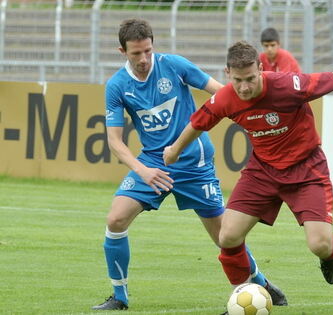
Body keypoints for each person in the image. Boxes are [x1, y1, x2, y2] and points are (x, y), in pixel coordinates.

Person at [163, 41, 333, 292]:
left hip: (307, 169)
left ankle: (330, 254)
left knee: (319, 244)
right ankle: (244, 294)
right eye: (238, 80)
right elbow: (198, 124)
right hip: (262, 171)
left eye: (251, 79)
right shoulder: (225, 98)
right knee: (228, 236)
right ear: (227, 73)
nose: (244, 87)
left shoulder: (289, 85)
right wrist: (174, 150)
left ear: (261, 69)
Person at [92, 21, 287, 311]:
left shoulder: (173, 65)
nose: (144, 59)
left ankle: (259, 280)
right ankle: (119, 297)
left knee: (224, 237)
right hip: (153, 164)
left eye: (148, 51)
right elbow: (115, 141)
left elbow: (222, 92)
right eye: (136, 54)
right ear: (122, 51)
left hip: (194, 161)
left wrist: (257, 117)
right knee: (115, 220)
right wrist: (143, 170)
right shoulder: (118, 86)